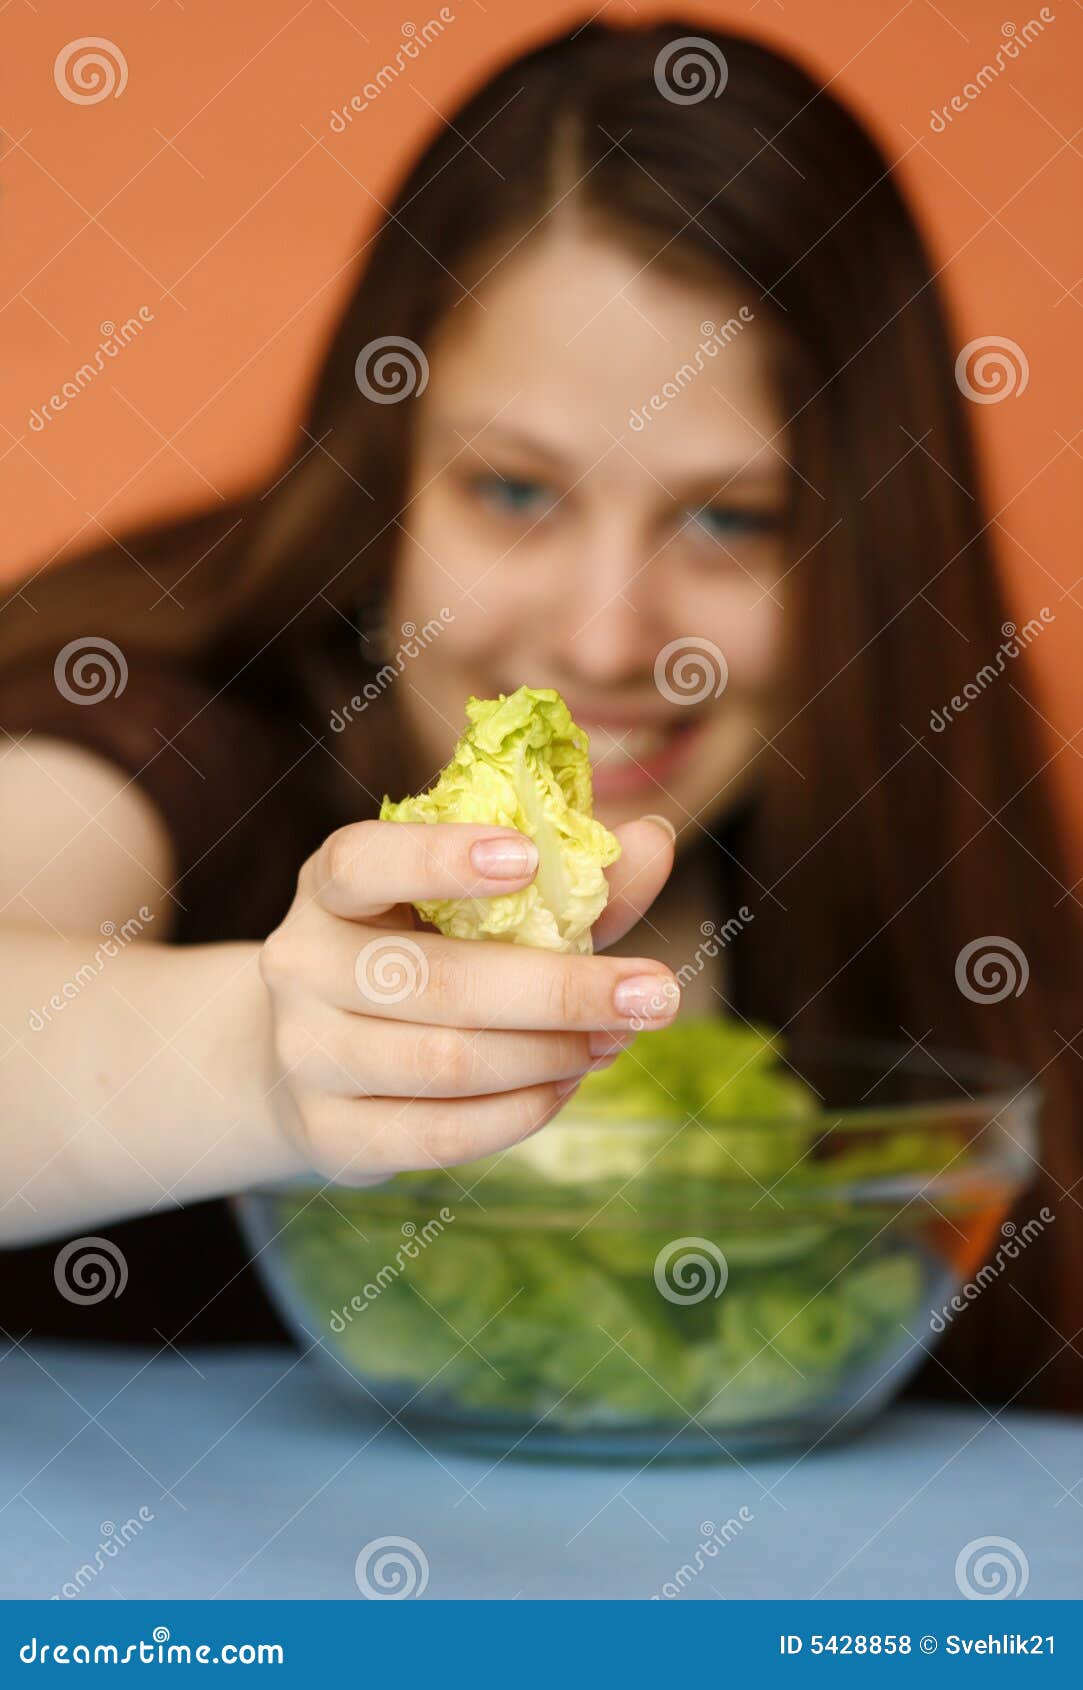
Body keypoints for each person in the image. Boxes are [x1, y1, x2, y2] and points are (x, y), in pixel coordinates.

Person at [1, 22, 1078, 1412]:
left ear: (873, 554)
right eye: (514, 493)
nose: (605, 634)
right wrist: (269, 1052)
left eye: (730, 519)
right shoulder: (168, 733)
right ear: (389, 471)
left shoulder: (914, 880)